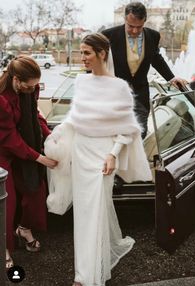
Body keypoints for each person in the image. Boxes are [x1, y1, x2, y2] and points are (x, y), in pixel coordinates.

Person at [44, 33, 152, 286]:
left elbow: (127, 127)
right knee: (84, 214)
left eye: (87, 53)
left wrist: (113, 154)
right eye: (81, 52)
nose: (82, 58)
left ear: (102, 53)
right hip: (81, 152)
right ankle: (85, 272)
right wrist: (59, 131)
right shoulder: (81, 82)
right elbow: (77, 116)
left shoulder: (119, 87)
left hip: (103, 156)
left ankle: (88, 277)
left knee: (94, 212)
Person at [0, 55, 57, 269]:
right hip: (3, 150)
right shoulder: (2, 99)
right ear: (16, 79)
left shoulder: (29, 89)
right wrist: (40, 157)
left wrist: (49, 135)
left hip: (25, 144)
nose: (32, 89)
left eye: (35, 86)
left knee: (36, 191)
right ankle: (3, 247)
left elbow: (34, 114)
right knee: (7, 200)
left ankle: (23, 228)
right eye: (29, 85)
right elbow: (9, 138)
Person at [102, 1, 187, 139]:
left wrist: (171, 78)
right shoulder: (108, 35)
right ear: (125, 19)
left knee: (140, 132)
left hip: (140, 94)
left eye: (139, 27)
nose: (135, 31)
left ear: (145, 21)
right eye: (131, 26)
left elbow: (156, 59)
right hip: (115, 95)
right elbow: (98, 61)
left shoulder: (153, 36)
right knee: (115, 135)